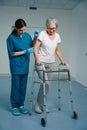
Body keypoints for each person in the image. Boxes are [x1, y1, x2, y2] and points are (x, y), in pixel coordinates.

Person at [34, 17, 66, 113]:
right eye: (50, 28)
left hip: (51, 62)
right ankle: (37, 104)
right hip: (41, 62)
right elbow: (35, 47)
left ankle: (43, 104)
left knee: (48, 85)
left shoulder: (57, 36)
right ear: (47, 26)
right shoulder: (42, 34)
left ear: (56, 27)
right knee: (45, 82)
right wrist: (37, 59)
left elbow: (57, 49)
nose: (51, 30)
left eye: (54, 28)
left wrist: (62, 60)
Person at [6, 18, 34, 116]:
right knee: (16, 87)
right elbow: (11, 53)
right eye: (21, 30)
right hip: (16, 66)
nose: (23, 32)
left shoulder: (27, 36)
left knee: (23, 87)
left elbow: (32, 46)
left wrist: (35, 38)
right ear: (16, 28)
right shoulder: (11, 38)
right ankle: (14, 106)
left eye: (24, 29)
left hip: (25, 65)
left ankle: (21, 105)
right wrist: (25, 51)